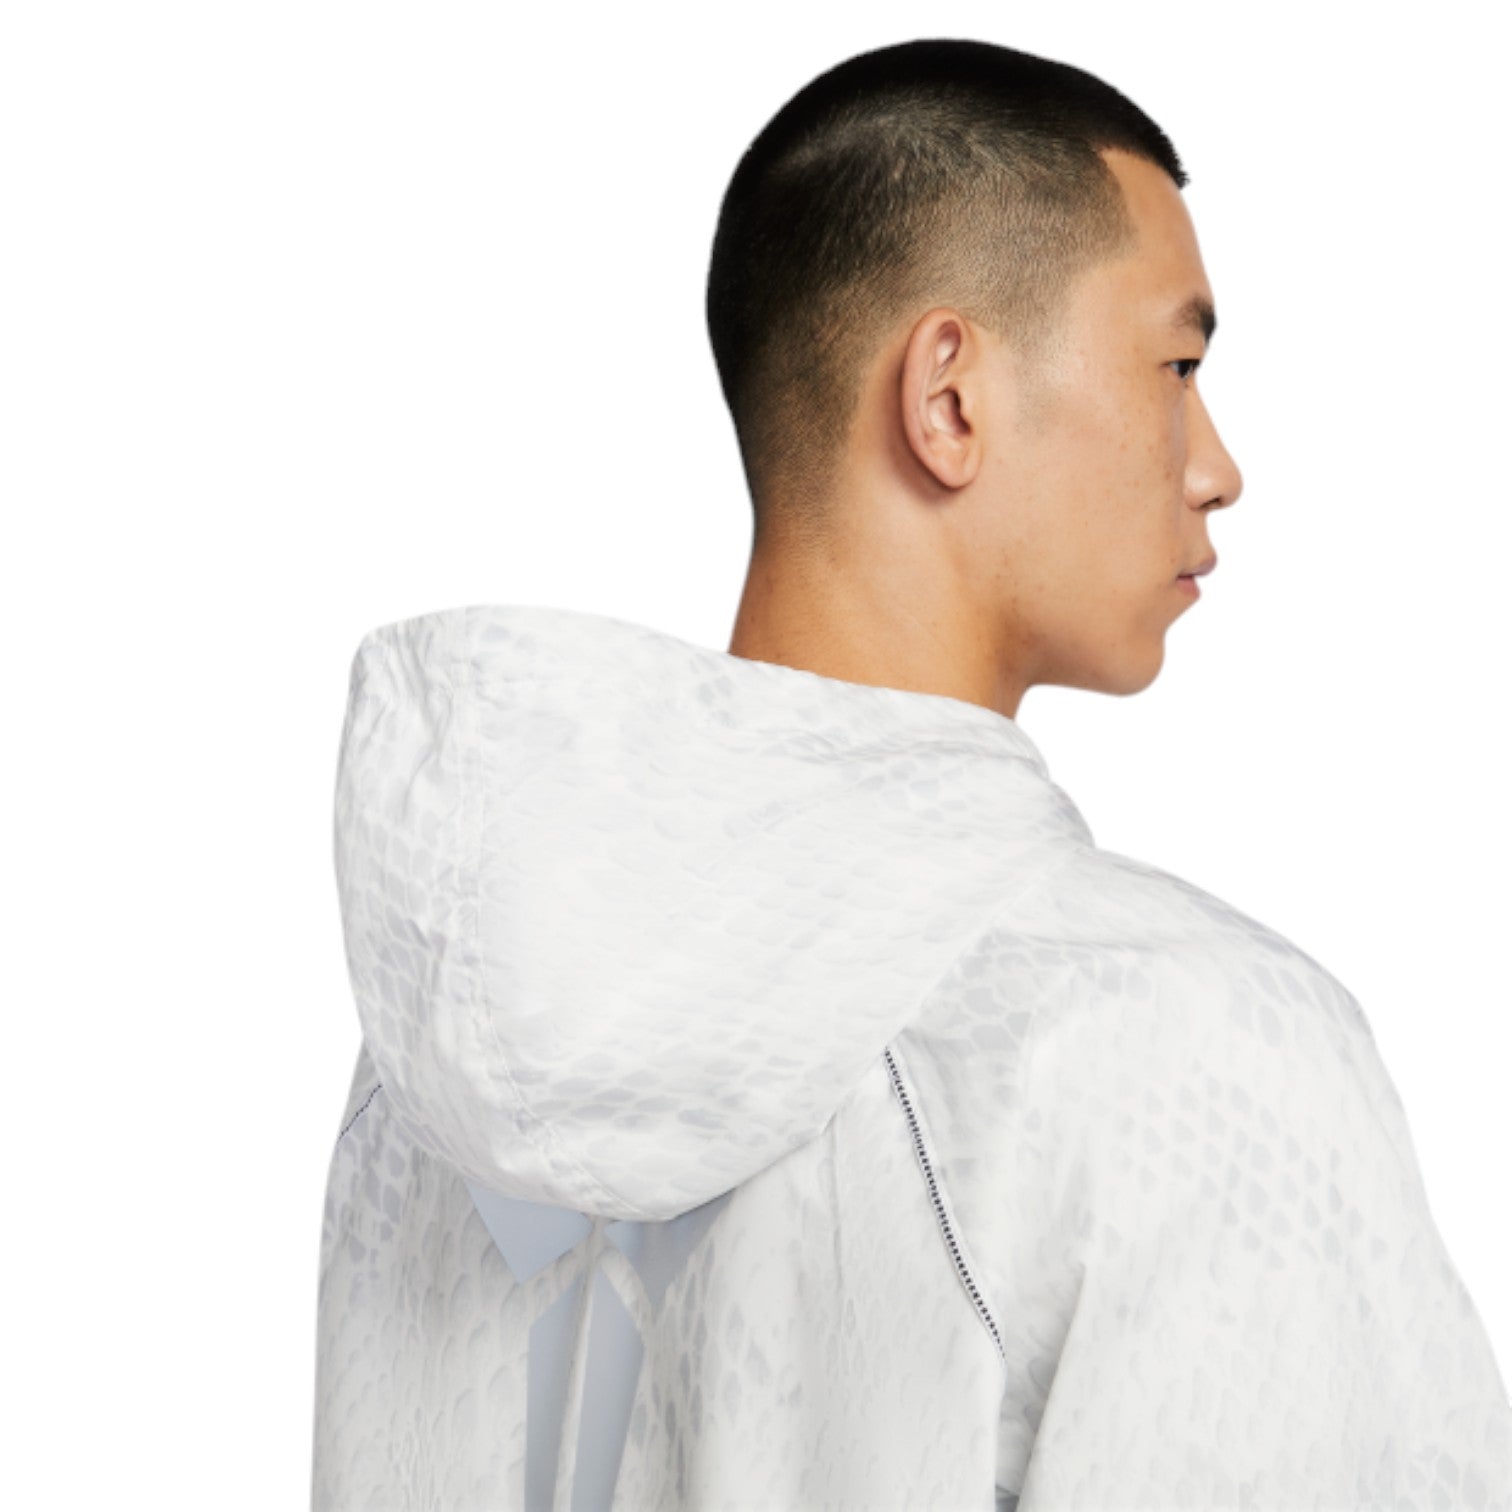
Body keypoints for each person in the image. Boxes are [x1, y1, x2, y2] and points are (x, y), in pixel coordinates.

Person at [311, 37, 1512, 1510]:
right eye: (1178, 366)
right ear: (949, 398)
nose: (1217, 465)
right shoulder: (1183, 1041)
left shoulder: (442, 1066)